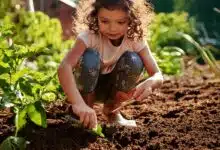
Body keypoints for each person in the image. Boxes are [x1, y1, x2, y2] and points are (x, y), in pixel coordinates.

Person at [58, 0, 163, 129]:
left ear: (131, 19)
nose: (112, 28)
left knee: (134, 60)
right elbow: (64, 67)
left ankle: (112, 112)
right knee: (90, 57)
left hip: (112, 89)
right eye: (105, 21)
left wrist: (151, 82)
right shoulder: (89, 37)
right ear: (95, 17)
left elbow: (158, 75)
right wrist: (77, 103)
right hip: (85, 88)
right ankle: (84, 111)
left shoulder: (134, 39)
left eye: (120, 22)